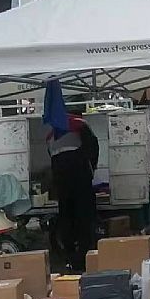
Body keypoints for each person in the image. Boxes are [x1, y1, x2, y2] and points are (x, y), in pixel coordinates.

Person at [48, 112, 100, 270]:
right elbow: (93, 147)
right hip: (80, 179)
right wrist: (91, 170)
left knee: (66, 218)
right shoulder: (81, 125)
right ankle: (85, 257)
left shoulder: (50, 135)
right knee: (85, 217)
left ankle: (70, 259)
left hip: (62, 183)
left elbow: (52, 158)